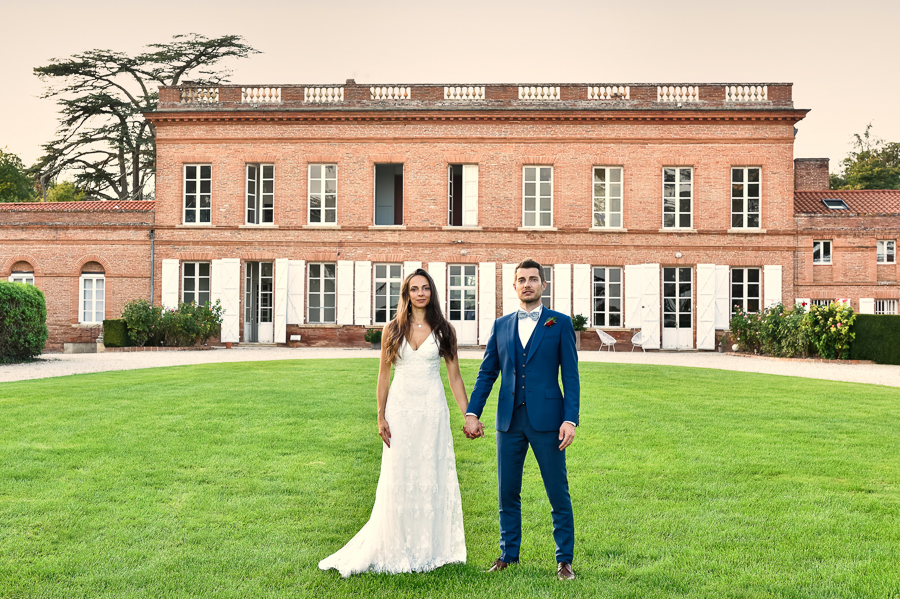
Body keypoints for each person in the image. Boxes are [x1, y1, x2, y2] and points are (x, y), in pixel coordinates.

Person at [319, 268, 470, 577]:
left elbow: (454, 377)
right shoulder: (392, 329)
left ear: (432, 292)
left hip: (432, 411)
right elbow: (384, 375)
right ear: (406, 294)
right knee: (399, 475)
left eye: (425, 288)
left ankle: (430, 547)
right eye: (414, 288)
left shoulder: (444, 330)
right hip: (399, 411)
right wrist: (380, 414)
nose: (420, 293)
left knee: (430, 474)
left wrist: (468, 414)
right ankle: (396, 544)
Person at [463, 259, 580, 580]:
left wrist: (570, 419)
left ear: (544, 285)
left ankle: (564, 560)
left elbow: (570, 375)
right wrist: (473, 412)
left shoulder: (560, 323)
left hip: (549, 422)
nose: (527, 284)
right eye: (521, 280)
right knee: (507, 492)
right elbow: (487, 373)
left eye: (533, 279)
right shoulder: (501, 326)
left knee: (557, 491)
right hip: (509, 422)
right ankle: (508, 554)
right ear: (513, 286)